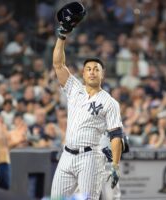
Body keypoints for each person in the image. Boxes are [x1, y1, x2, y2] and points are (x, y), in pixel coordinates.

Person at [50, 17, 123, 200]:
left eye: (96, 69)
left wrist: (115, 165)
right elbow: (58, 64)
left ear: (102, 74)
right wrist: (61, 37)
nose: (92, 71)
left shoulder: (110, 102)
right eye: (88, 68)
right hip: (67, 154)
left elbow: (116, 135)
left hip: (90, 158)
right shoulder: (74, 87)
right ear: (83, 73)